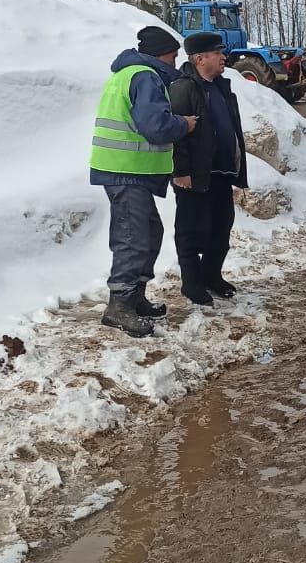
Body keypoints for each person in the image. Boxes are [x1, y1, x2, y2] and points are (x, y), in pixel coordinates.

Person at [90, 25, 197, 337]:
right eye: (174, 57)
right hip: (125, 171)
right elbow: (156, 127)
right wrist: (184, 124)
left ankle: (134, 297)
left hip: (128, 171)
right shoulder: (145, 76)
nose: (176, 63)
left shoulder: (131, 73)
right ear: (162, 55)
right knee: (132, 237)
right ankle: (118, 306)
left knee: (149, 232)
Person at [168, 31, 248, 306]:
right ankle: (191, 284)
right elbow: (177, 135)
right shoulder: (183, 87)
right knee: (191, 231)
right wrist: (180, 172)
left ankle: (211, 276)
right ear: (201, 58)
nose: (224, 57)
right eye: (218, 53)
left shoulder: (222, 87)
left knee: (221, 229)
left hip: (222, 173)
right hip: (195, 175)